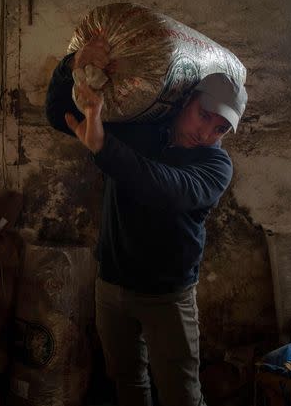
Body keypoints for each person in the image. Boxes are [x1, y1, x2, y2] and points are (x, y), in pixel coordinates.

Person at [45, 35, 247, 406]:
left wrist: (104, 146)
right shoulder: (141, 128)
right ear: (186, 101)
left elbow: (165, 189)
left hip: (167, 297)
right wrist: (73, 65)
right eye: (204, 115)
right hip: (112, 285)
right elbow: (60, 114)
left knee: (181, 395)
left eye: (220, 129)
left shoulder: (215, 165)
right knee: (127, 383)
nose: (206, 133)